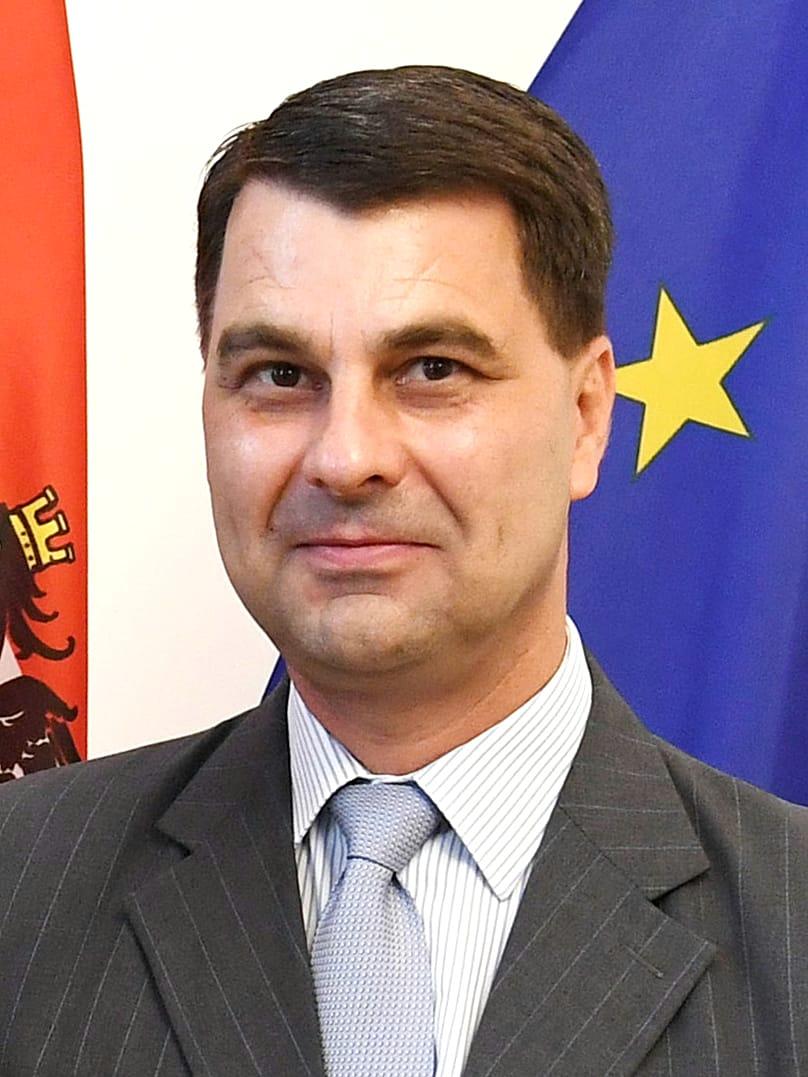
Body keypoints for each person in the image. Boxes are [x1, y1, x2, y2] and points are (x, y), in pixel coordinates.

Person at [0, 66, 806, 1077]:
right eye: (280, 376)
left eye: (433, 371)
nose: (345, 457)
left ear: (586, 417)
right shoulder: (18, 891)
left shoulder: (791, 928)